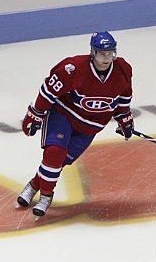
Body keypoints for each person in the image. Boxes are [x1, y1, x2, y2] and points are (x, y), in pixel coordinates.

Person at [16, 31, 134, 219]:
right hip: (64, 115)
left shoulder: (123, 70)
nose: (106, 58)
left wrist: (124, 117)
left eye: (110, 53)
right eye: (102, 54)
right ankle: (45, 196)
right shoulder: (72, 68)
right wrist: (36, 114)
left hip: (92, 125)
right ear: (92, 53)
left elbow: (124, 95)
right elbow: (48, 91)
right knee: (54, 152)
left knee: (59, 162)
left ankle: (34, 185)